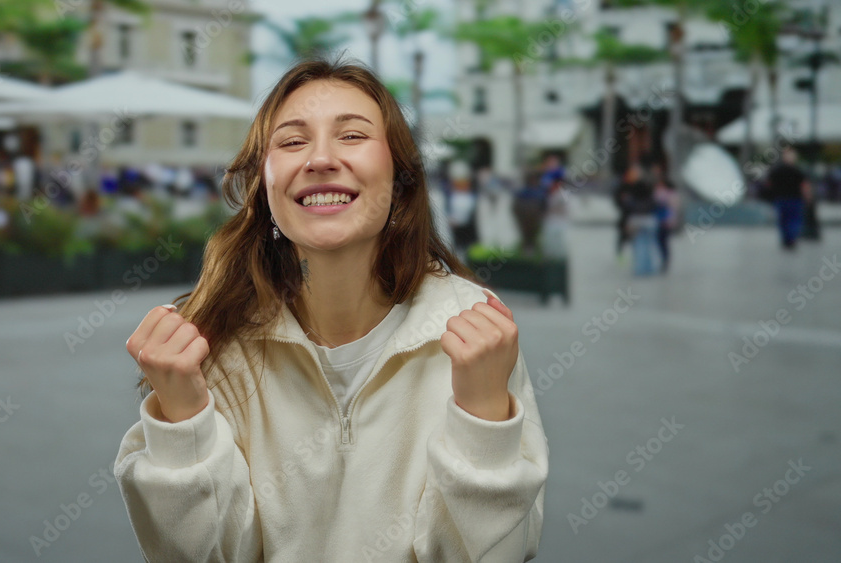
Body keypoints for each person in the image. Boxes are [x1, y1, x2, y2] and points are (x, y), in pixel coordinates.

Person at [114, 59, 548, 562]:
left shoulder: (479, 334)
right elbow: (203, 556)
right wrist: (183, 421)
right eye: (293, 142)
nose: (320, 158)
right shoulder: (209, 345)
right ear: (265, 186)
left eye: (352, 136)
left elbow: (495, 555)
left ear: (401, 178)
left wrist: (482, 417)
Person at [764, 147, 811, 250]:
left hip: (781, 199)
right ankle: (791, 238)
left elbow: (769, 184)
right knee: (794, 220)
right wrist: (807, 197)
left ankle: (786, 239)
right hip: (795, 199)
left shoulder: (776, 170)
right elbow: (804, 186)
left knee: (783, 221)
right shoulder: (798, 170)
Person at [652, 168, 678, 273]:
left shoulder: (670, 194)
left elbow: (674, 208)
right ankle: (662, 260)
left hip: (666, 220)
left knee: (663, 242)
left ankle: (665, 260)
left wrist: (671, 220)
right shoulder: (656, 191)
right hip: (657, 220)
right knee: (659, 241)